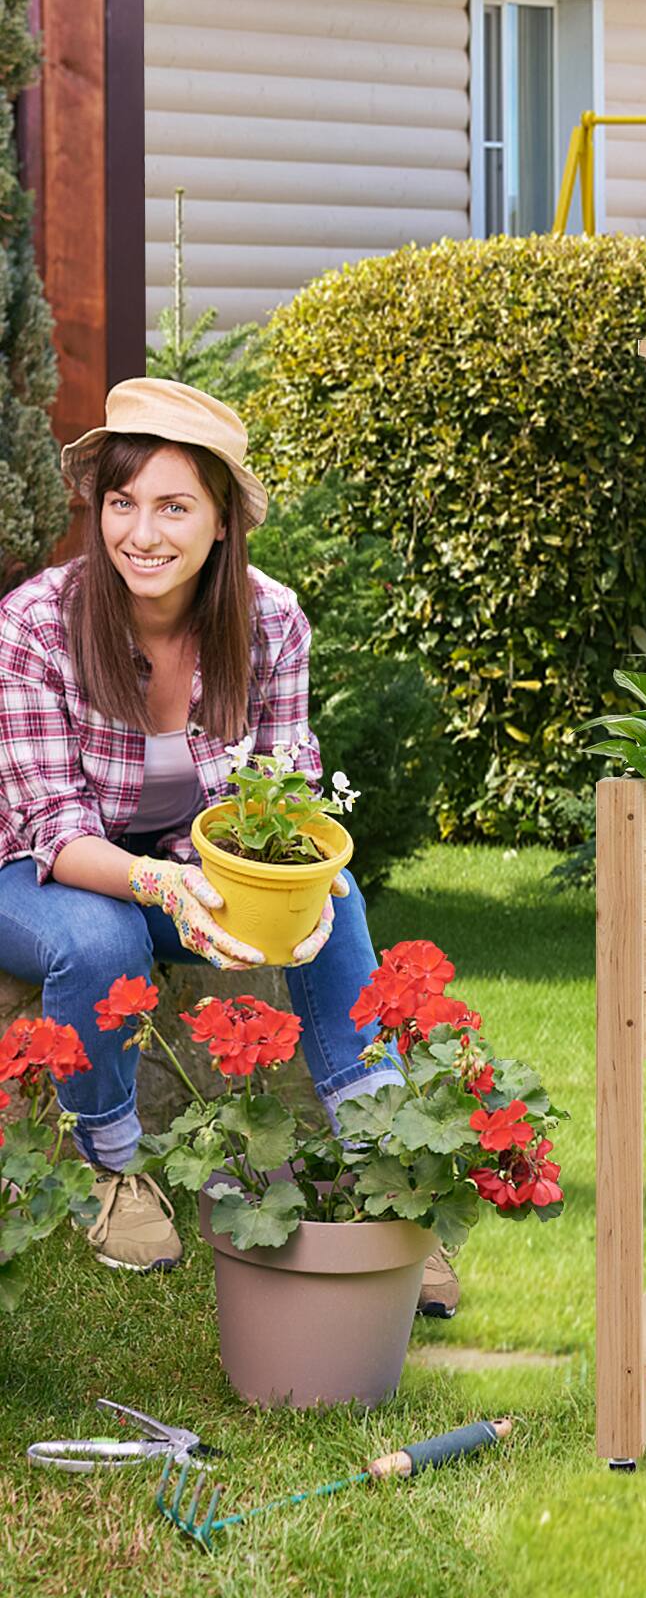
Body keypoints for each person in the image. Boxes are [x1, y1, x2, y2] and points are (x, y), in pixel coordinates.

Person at [0, 379, 457, 1315]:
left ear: (221, 522)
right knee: (99, 938)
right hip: (33, 875)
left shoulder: (271, 620)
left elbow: (284, 795)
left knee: (334, 898)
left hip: (190, 867)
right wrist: (163, 887)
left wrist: (290, 877)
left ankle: (385, 1173)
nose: (143, 533)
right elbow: (54, 828)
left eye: (175, 506)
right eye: (123, 503)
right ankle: (111, 1169)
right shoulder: (37, 624)